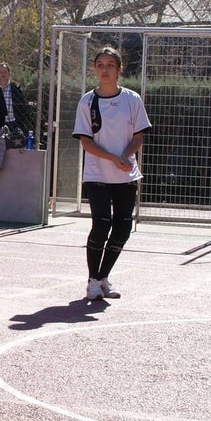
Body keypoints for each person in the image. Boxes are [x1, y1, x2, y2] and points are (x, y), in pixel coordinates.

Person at [72, 46, 150, 301]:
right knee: (101, 224)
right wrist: (112, 158)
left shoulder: (132, 99)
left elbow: (139, 136)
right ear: (95, 69)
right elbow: (86, 142)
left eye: (110, 65)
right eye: (100, 65)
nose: (104, 70)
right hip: (97, 175)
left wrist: (125, 155)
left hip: (126, 175)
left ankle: (103, 277)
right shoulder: (87, 101)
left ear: (119, 69)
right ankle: (92, 280)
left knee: (122, 228)